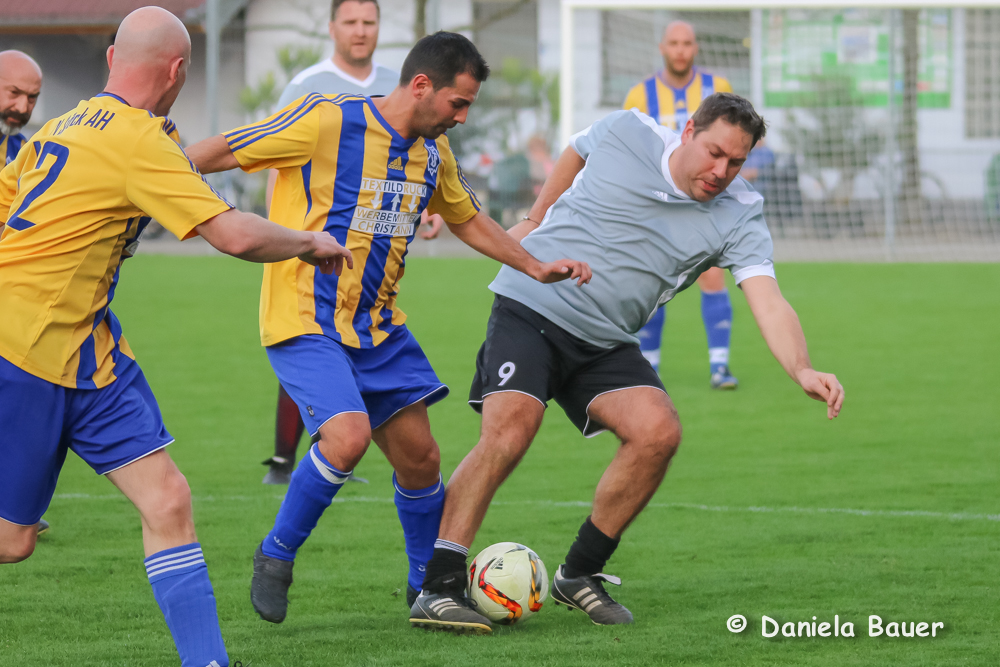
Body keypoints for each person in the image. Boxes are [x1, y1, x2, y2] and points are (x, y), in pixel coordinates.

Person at [185, 31, 591, 623]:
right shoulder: (326, 120)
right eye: (459, 102)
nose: (463, 116)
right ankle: (275, 556)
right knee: (346, 439)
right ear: (422, 86)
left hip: (378, 329)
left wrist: (533, 264)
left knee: (422, 460)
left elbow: (468, 220)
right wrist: (180, 201)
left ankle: (428, 590)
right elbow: (211, 153)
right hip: (305, 317)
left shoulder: (432, 154)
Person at [410, 93, 844, 634]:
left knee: (657, 431)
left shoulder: (740, 214)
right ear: (688, 131)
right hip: (532, 307)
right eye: (714, 153)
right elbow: (574, 150)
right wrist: (534, 218)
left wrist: (802, 368)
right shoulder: (628, 131)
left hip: (606, 341)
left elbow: (768, 298)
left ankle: (580, 573)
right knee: (511, 429)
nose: (721, 171)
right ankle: (439, 584)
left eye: (736, 162)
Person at [0, 8, 351, 667]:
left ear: (111, 62)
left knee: (168, 497)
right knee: (13, 541)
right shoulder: (139, 139)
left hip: (90, 350)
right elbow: (235, 234)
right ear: (179, 72)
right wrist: (309, 239)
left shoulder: (62, 125)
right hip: (25, 350)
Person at [261, 0, 404, 486]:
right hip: (311, 251)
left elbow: (411, 164)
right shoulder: (307, 87)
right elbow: (275, 163)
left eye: (369, 22)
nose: (361, 31)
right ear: (332, 28)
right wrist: (280, 237)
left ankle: (332, 453)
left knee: (353, 347)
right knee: (313, 345)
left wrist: (421, 214)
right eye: (351, 22)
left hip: (374, 258)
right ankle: (285, 461)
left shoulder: (397, 85)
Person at [623, 20, 739, 389]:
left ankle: (719, 367)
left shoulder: (716, 89)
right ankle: (650, 368)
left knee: (712, 275)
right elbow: (630, 149)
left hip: (704, 201)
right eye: (673, 43)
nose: (680, 50)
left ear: (696, 47)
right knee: (652, 284)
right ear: (662, 47)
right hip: (657, 203)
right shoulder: (640, 94)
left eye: (686, 43)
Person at [0, 49, 51, 536]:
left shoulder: (27, 149)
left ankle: (14, 505)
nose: (21, 105)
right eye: (13, 93)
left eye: (31, 97)